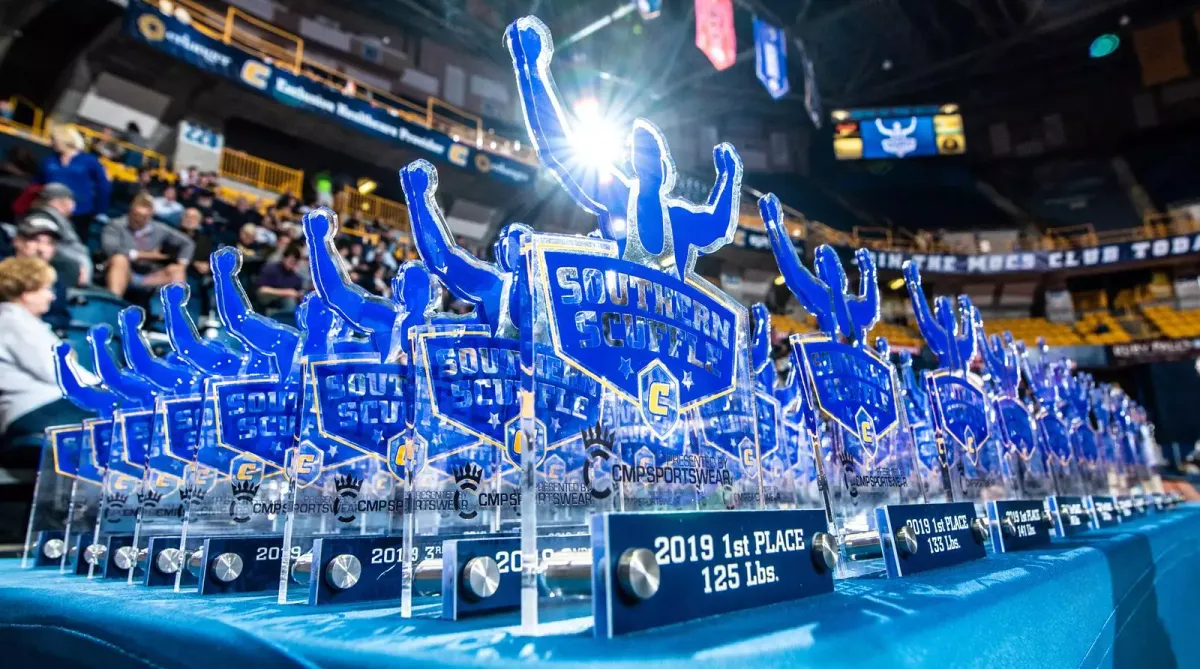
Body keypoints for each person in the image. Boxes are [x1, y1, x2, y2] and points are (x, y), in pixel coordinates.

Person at [0, 257, 95, 451]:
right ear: (27, 292)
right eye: (45, 289)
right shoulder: (13, 322)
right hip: (35, 411)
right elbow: (57, 372)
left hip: (52, 406)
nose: (51, 296)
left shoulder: (25, 322)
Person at [101, 192, 194, 298]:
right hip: (126, 271)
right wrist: (148, 255)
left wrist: (182, 263)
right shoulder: (115, 225)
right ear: (130, 211)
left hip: (150, 275)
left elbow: (187, 243)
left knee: (177, 270)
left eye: (143, 217)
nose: (138, 219)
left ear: (150, 215)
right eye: (136, 215)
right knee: (119, 259)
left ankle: (174, 312)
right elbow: (111, 249)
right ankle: (114, 301)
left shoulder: (159, 228)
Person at [40, 125, 111, 241]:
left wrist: (100, 210)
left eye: (53, 139)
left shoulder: (89, 160)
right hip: (50, 211)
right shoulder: (49, 160)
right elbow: (37, 183)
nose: (51, 142)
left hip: (80, 213)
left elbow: (103, 186)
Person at [18, 182, 92, 286]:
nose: (73, 207)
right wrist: (75, 267)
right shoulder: (44, 217)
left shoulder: (59, 218)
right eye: (71, 202)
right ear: (60, 202)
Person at [8, 220, 71, 330]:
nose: (41, 249)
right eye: (35, 240)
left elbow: (61, 317)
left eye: (49, 243)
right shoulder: (3, 273)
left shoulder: (56, 279)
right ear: (17, 241)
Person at [256, 242, 305, 313]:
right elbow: (262, 290)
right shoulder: (270, 268)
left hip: (287, 304)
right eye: (291, 260)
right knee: (289, 301)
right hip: (269, 301)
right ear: (284, 258)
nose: (292, 263)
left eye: (295, 261)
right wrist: (286, 292)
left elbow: (299, 292)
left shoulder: (296, 277)